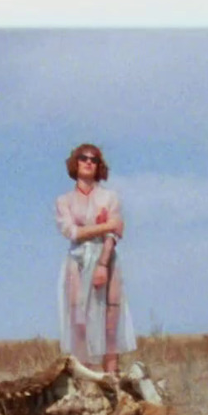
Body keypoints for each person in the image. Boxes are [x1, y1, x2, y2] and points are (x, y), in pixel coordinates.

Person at [55, 143, 136, 374]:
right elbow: (72, 232)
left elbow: (114, 233)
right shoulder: (64, 201)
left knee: (111, 322)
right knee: (79, 320)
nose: (89, 162)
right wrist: (106, 225)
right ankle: (88, 381)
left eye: (94, 159)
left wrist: (103, 263)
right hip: (78, 261)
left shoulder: (110, 197)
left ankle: (112, 381)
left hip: (106, 258)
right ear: (75, 162)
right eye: (83, 158)